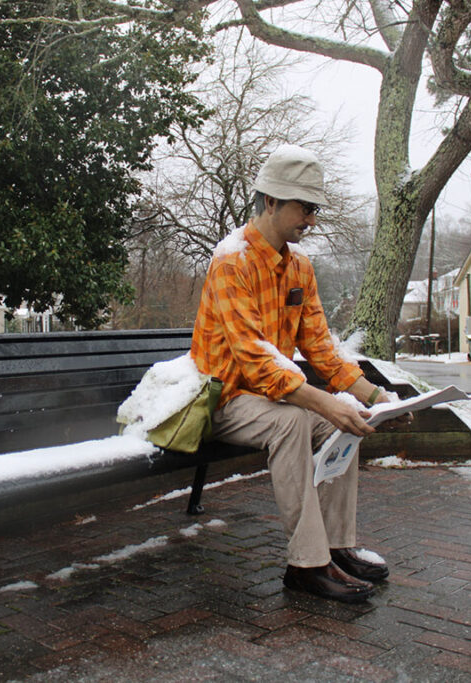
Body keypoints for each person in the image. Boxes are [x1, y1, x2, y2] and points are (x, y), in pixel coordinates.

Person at [190, 144, 400, 603]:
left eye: (314, 209)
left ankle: (336, 546)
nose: (312, 219)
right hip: (223, 398)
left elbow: (321, 348)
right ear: (271, 201)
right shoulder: (231, 262)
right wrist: (323, 401)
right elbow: (254, 361)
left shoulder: (300, 266)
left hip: (270, 395)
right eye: (304, 208)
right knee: (294, 421)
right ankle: (306, 565)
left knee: (346, 420)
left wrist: (371, 394)